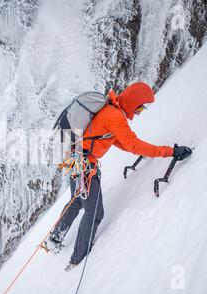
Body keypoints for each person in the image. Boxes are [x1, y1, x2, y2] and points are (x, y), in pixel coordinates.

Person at [45, 82, 192, 270]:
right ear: (133, 102)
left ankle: (54, 239)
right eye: (140, 107)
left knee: (78, 201)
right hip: (84, 165)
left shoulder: (110, 111)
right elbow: (133, 144)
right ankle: (76, 260)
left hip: (74, 160)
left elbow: (121, 143)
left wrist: (148, 150)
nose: (140, 112)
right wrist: (170, 152)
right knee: (95, 211)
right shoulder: (114, 116)